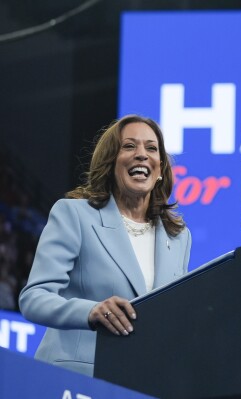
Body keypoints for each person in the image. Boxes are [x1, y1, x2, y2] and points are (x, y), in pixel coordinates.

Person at [19, 115, 191, 376]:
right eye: (129, 146)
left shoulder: (178, 237)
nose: (142, 155)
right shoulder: (74, 215)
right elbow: (34, 298)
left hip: (145, 383)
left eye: (151, 148)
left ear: (160, 170)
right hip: (77, 379)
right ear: (111, 162)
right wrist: (90, 311)